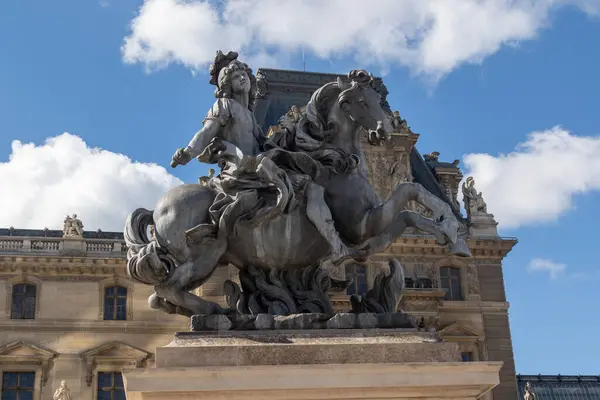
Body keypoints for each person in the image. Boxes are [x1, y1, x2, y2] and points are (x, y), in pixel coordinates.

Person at [171, 51, 354, 266]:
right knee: (303, 185)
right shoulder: (224, 106)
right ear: (227, 85)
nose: (242, 79)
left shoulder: (249, 115)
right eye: (235, 77)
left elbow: (262, 142)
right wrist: (189, 151)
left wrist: (286, 133)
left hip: (256, 164)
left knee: (302, 178)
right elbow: (206, 133)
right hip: (241, 167)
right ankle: (333, 243)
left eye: (245, 75)